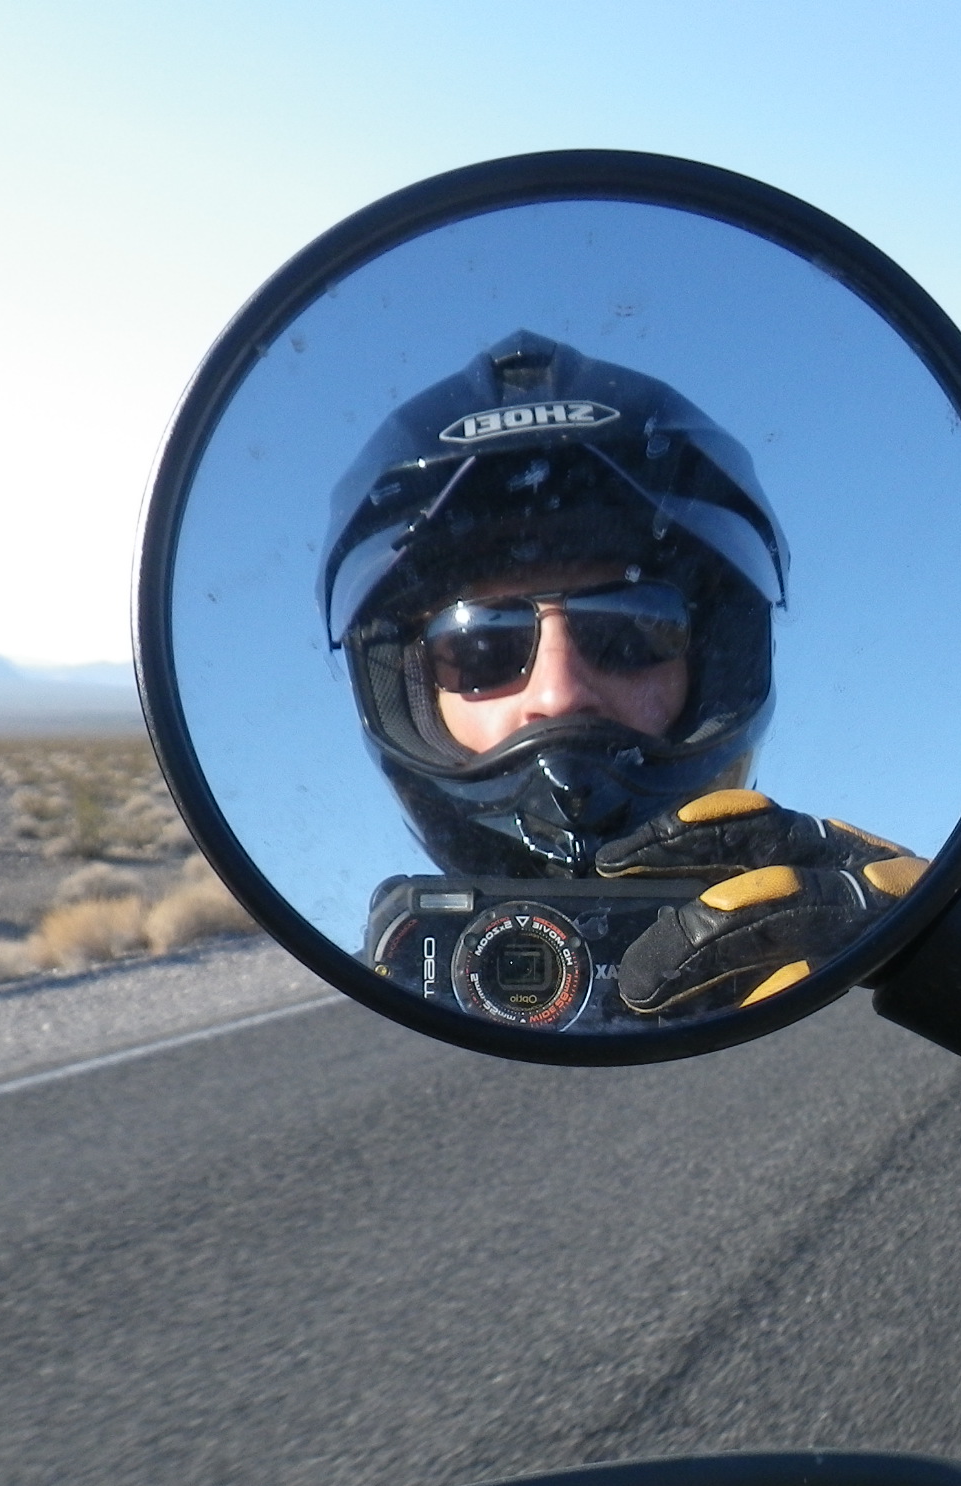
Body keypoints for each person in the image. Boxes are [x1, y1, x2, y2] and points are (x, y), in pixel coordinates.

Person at [319, 332, 925, 1018]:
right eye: (480, 646)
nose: (560, 693)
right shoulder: (346, 1009)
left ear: (716, 667)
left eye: (631, 632)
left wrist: (946, 959)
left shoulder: (848, 968)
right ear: (409, 694)